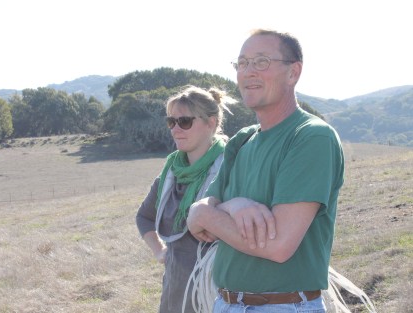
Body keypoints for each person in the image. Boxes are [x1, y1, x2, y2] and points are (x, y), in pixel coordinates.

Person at [187, 28, 345, 313]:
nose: (248, 72)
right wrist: (234, 205)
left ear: (293, 72)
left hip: (283, 306)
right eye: (242, 63)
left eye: (261, 62)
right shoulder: (242, 140)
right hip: (224, 303)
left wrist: (207, 213)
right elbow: (196, 221)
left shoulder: (310, 137)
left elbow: (278, 247)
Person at [136, 85, 236, 313]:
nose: (175, 129)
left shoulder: (232, 171)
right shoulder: (170, 174)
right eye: (171, 122)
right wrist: (160, 251)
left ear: (211, 122)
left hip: (217, 292)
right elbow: (144, 217)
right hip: (175, 291)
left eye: (185, 122)